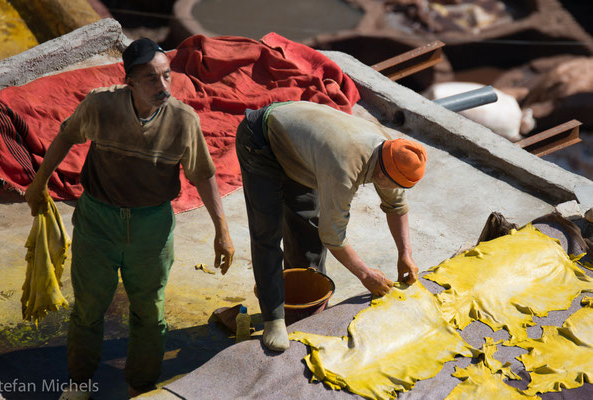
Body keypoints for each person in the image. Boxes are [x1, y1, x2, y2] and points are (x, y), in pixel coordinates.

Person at [25, 38, 235, 399]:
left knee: (150, 310)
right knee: (89, 307)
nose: (163, 86)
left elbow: (203, 173)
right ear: (130, 82)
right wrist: (38, 182)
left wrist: (222, 230)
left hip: (151, 227)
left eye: (167, 76)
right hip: (97, 220)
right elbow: (65, 136)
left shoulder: (183, 120)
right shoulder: (100, 105)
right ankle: (79, 382)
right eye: (151, 79)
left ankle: (141, 384)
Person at [235, 101, 426, 352]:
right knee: (267, 233)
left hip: (303, 151)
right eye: (394, 184)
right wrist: (365, 274)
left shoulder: (391, 152)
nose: (395, 190)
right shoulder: (344, 168)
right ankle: (274, 318)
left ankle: (304, 303)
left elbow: (396, 206)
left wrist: (405, 254)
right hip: (262, 138)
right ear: (382, 176)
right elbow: (333, 236)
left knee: (307, 226)